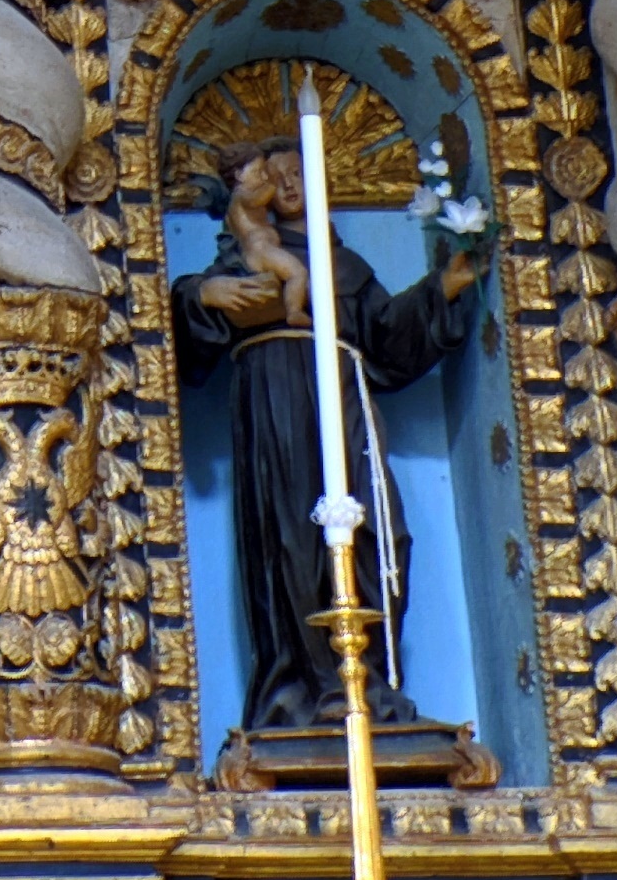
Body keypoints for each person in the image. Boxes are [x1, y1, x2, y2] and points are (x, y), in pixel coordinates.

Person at [169, 125, 480, 739]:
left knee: (380, 534)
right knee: (291, 538)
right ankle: (298, 688)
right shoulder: (243, 252)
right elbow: (179, 318)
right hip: (275, 400)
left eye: (299, 175)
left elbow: (389, 339)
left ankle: (368, 681)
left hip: (344, 400)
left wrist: (442, 288)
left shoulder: (344, 266)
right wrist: (206, 293)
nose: (288, 185)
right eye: (277, 175)